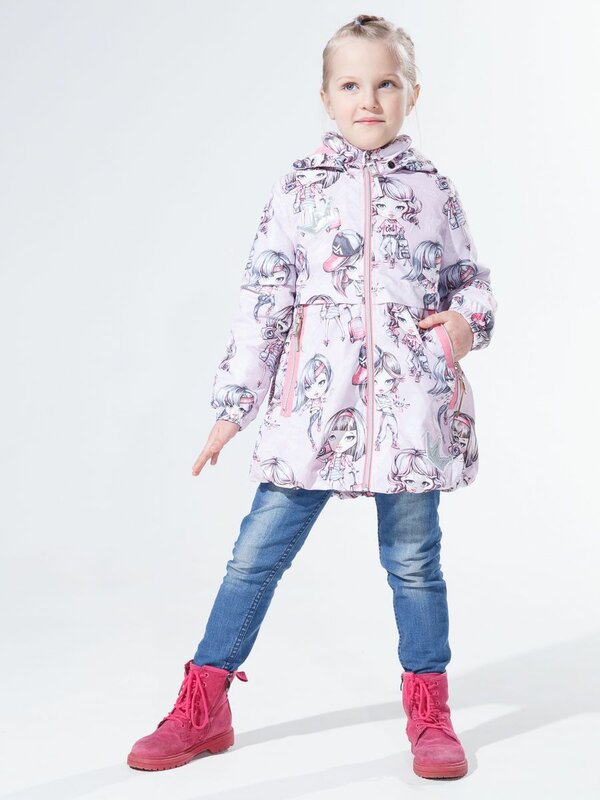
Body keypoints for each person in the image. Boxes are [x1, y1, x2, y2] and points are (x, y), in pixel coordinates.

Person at [127, 13, 498, 780]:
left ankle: (430, 714)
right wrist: (232, 409)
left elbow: (472, 283)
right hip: (313, 413)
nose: (370, 99)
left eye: (387, 83)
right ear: (326, 97)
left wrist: (466, 326)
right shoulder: (298, 189)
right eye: (352, 85)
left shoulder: (433, 190)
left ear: (413, 94)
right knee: (253, 558)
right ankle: (203, 706)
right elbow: (264, 300)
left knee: (415, 565)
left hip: (409, 417)